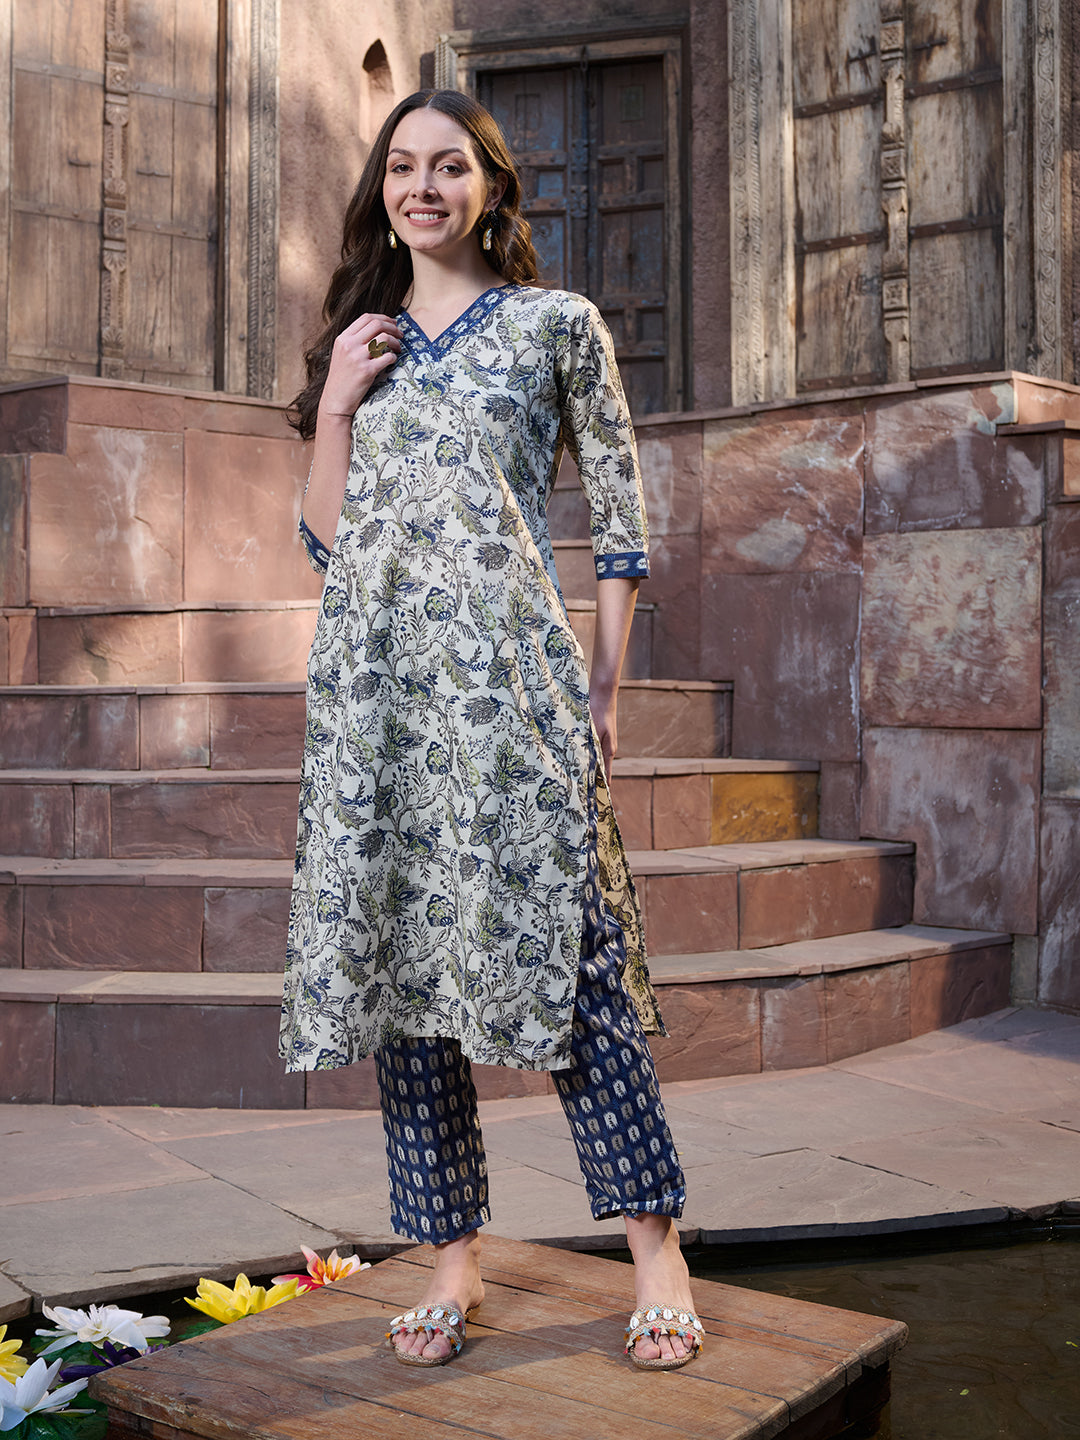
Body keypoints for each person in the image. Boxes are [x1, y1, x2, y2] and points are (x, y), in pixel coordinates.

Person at [279, 88, 701, 1372]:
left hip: (514, 695)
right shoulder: (361, 342)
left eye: (450, 166)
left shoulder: (554, 325)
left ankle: (656, 1249)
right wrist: (338, 401)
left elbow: (619, 520)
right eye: (402, 167)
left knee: (574, 967)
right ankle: (451, 1255)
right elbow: (326, 543)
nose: (424, 187)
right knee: (407, 980)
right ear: (382, 190)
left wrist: (604, 693)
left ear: (493, 186)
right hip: (379, 708)